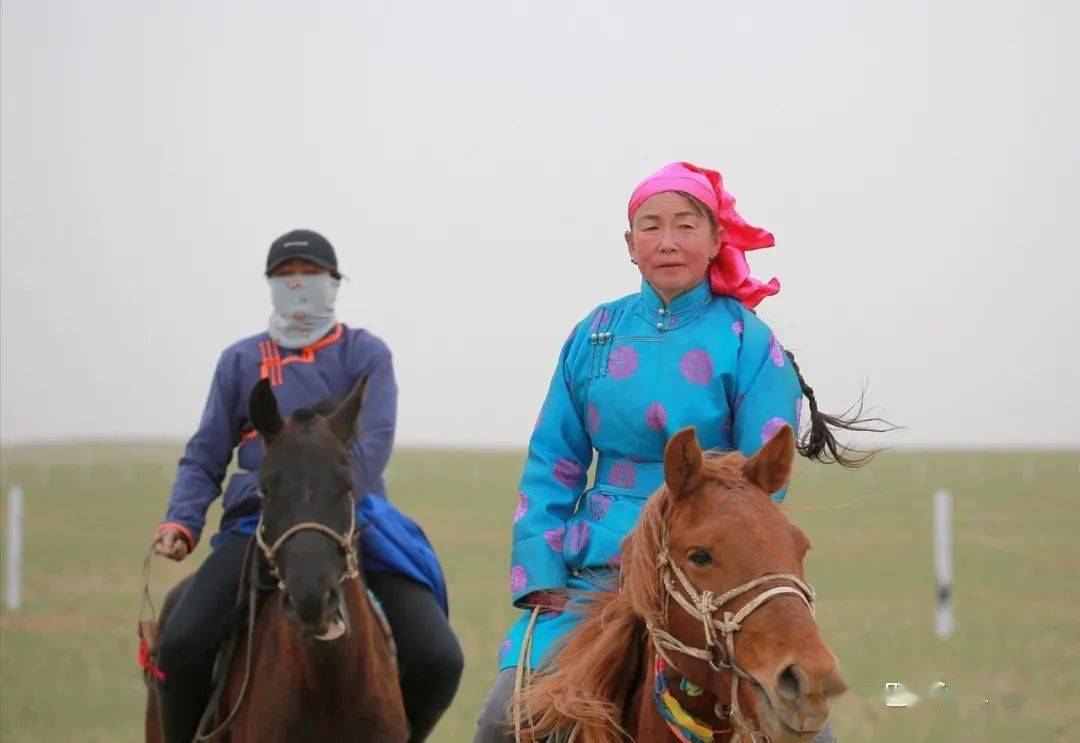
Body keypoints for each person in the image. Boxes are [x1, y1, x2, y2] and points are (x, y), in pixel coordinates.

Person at [474, 162, 877, 742]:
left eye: (686, 226)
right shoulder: (594, 334)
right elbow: (553, 462)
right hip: (597, 571)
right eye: (650, 226)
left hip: (712, 574)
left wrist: (711, 550)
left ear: (716, 241)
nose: (667, 242)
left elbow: (764, 479)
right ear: (630, 244)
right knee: (502, 720)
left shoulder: (750, 342)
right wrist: (540, 568)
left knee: (807, 729)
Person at [153, 229, 463, 743]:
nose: (298, 285)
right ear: (270, 284)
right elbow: (207, 451)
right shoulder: (239, 361)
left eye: (310, 274)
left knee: (439, 657)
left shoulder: (366, 354)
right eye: (285, 275)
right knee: (181, 644)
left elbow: (375, 442)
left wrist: (325, 494)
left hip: (351, 512)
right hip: (262, 518)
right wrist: (181, 520)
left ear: (333, 284)